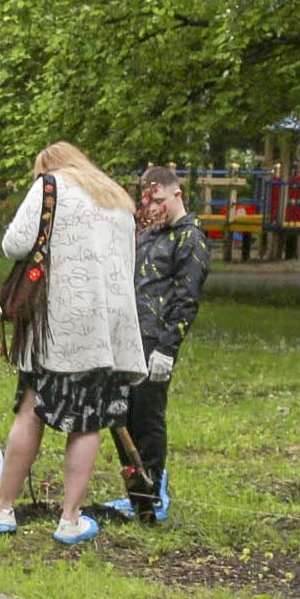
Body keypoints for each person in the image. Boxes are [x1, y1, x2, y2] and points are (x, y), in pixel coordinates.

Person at [0, 143, 145, 547]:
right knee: (88, 420)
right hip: (109, 325)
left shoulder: (51, 186)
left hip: (59, 320)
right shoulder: (117, 198)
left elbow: (15, 244)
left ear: (47, 166)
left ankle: (2, 509)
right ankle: (70, 519)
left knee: (32, 408)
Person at [113, 166, 207, 524]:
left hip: (156, 342)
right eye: (148, 201)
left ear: (177, 194)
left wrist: (168, 348)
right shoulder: (148, 233)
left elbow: (187, 297)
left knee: (148, 418)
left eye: (160, 200)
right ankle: (136, 491)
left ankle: (151, 497)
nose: (153, 208)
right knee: (121, 416)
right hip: (128, 339)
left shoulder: (190, 238)